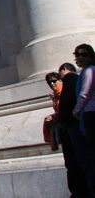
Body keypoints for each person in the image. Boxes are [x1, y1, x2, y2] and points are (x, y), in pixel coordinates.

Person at [57, 62, 91, 198]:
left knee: (78, 159)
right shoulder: (78, 79)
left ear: (64, 70)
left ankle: (81, 191)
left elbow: (67, 103)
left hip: (72, 125)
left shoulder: (69, 80)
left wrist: (62, 119)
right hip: (80, 123)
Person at [44, 72, 62, 151]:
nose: (52, 84)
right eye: (49, 82)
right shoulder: (55, 95)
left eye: (54, 81)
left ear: (60, 80)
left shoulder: (63, 92)